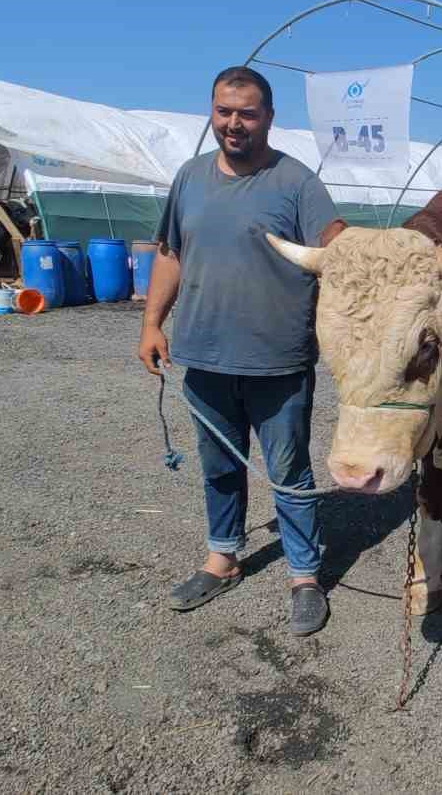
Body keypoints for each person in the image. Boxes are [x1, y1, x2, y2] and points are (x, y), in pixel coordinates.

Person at [138, 66, 345, 637]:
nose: (234, 123)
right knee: (219, 468)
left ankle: (305, 576)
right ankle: (222, 560)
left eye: (247, 113)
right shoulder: (190, 177)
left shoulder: (297, 183)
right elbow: (170, 255)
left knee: (289, 473)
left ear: (268, 119)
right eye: (224, 111)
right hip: (203, 355)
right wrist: (152, 323)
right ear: (212, 112)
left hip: (277, 361)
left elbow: (337, 250)